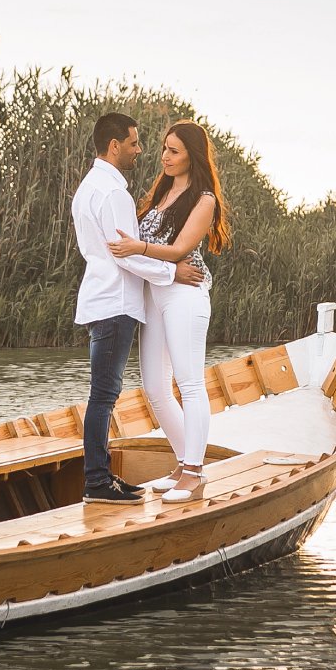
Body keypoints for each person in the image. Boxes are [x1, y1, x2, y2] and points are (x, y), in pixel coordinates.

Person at [73, 113, 206, 504]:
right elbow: (125, 254)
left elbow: (123, 250)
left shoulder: (89, 187)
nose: (142, 150)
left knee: (106, 393)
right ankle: (98, 481)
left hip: (107, 298)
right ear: (114, 145)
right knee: (104, 396)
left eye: (169, 149)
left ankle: (181, 468)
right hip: (116, 300)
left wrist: (164, 267)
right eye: (134, 143)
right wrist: (172, 270)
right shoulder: (113, 193)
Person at [108, 119, 231, 503]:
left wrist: (137, 249)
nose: (164, 156)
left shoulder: (204, 199)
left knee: (190, 384)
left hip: (185, 295)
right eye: (164, 148)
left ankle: (193, 474)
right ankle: (183, 461)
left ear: (191, 155)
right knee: (156, 389)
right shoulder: (162, 192)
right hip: (154, 296)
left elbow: (179, 250)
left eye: (173, 150)